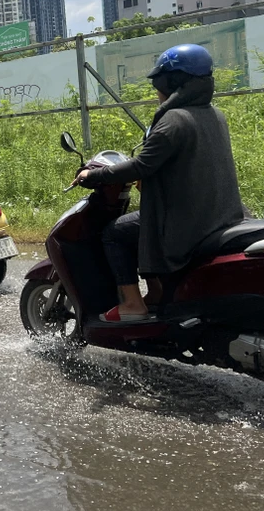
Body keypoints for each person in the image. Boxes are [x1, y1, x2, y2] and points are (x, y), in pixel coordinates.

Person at [74, 44, 244, 322]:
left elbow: (141, 165)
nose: (156, 91)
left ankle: (132, 303)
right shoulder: (214, 115)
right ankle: (156, 293)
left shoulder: (174, 120)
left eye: (159, 83)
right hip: (218, 215)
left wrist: (92, 176)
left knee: (114, 233)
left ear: (172, 82)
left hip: (187, 223)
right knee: (142, 222)